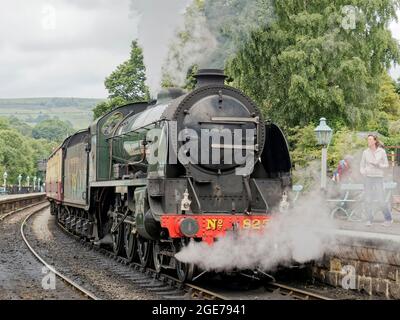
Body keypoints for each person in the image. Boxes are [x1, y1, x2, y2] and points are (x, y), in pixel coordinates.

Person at [360, 134, 393, 226]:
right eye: (368, 140)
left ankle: (388, 219)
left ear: (375, 141)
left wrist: (379, 165)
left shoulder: (381, 151)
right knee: (368, 199)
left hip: (378, 177)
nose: (368, 141)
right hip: (368, 178)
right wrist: (363, 172)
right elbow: (362, 166)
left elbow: (386, 165)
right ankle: (369, 220)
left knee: (381, 199)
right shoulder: (365, 152)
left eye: (370, 139)